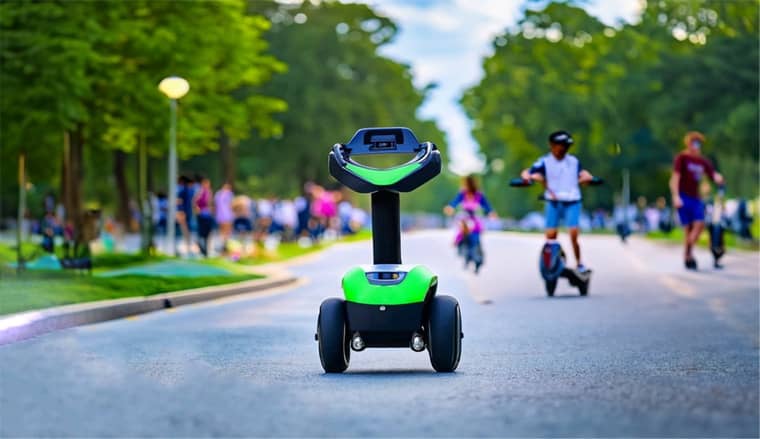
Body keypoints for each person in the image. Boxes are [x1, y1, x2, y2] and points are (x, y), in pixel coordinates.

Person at [520, 130, 595, 272]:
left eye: (565, 146)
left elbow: (583, 173)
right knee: (550, 235)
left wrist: (587, 177)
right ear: (552, 146)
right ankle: (552, 260)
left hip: (572, 200)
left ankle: (579, 263)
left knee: (573, 233)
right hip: (553, 201)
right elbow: (528, 172)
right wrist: (527, 177)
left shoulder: (573, 161)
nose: (563, 149)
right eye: (560, 145)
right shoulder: (545, 161)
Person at [669, 131, 724, 270]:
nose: (696, 146)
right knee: (688, 229)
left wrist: (718, 177)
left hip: (696, 198)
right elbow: (675, 178)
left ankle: (687, 253)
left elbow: (712, 174)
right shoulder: (682, 158)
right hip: (683, 196)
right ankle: (689, 256)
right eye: (694, 143)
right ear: (688, 144)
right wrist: (676, 196)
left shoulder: (702, 161)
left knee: (699, 224)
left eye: (698, 143)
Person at [444, 175, 496, 273]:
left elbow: (486, 205)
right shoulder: (462, 194)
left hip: (474, 217)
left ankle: (477, 258)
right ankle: (462, 250)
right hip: (464, 216)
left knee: (476, 236)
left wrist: (491, 212)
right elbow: (454, 202)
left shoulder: (478, 195)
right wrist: (450, 207)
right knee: (460, 232)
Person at [193, 177, 214, 257]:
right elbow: (195, 202)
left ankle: (206, 249)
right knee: (202, 232)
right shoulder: (200, 192)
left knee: (207, 232)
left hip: (207, 215)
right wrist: (197, 209)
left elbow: (210, 203)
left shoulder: (209, 192)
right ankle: (202, 248)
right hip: (202, 215)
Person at [214, 183, 234, 248]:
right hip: (227, 214)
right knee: (227, 231)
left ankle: (223, 244)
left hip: (220, 214)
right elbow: (231, 205)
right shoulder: (229, 194)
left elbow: (215, 205)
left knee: (222, 231)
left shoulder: (218, 194)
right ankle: (226, 244)